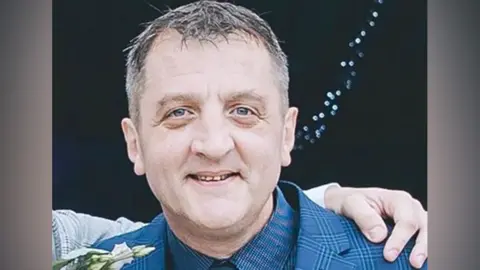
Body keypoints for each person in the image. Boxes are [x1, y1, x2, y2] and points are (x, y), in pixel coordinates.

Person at [86, 1, 427, 269]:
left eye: (243, 111)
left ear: (286, 134)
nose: (214, 145)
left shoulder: (407, 260)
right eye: (179, 113)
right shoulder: (89, 265)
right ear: (135, 144)